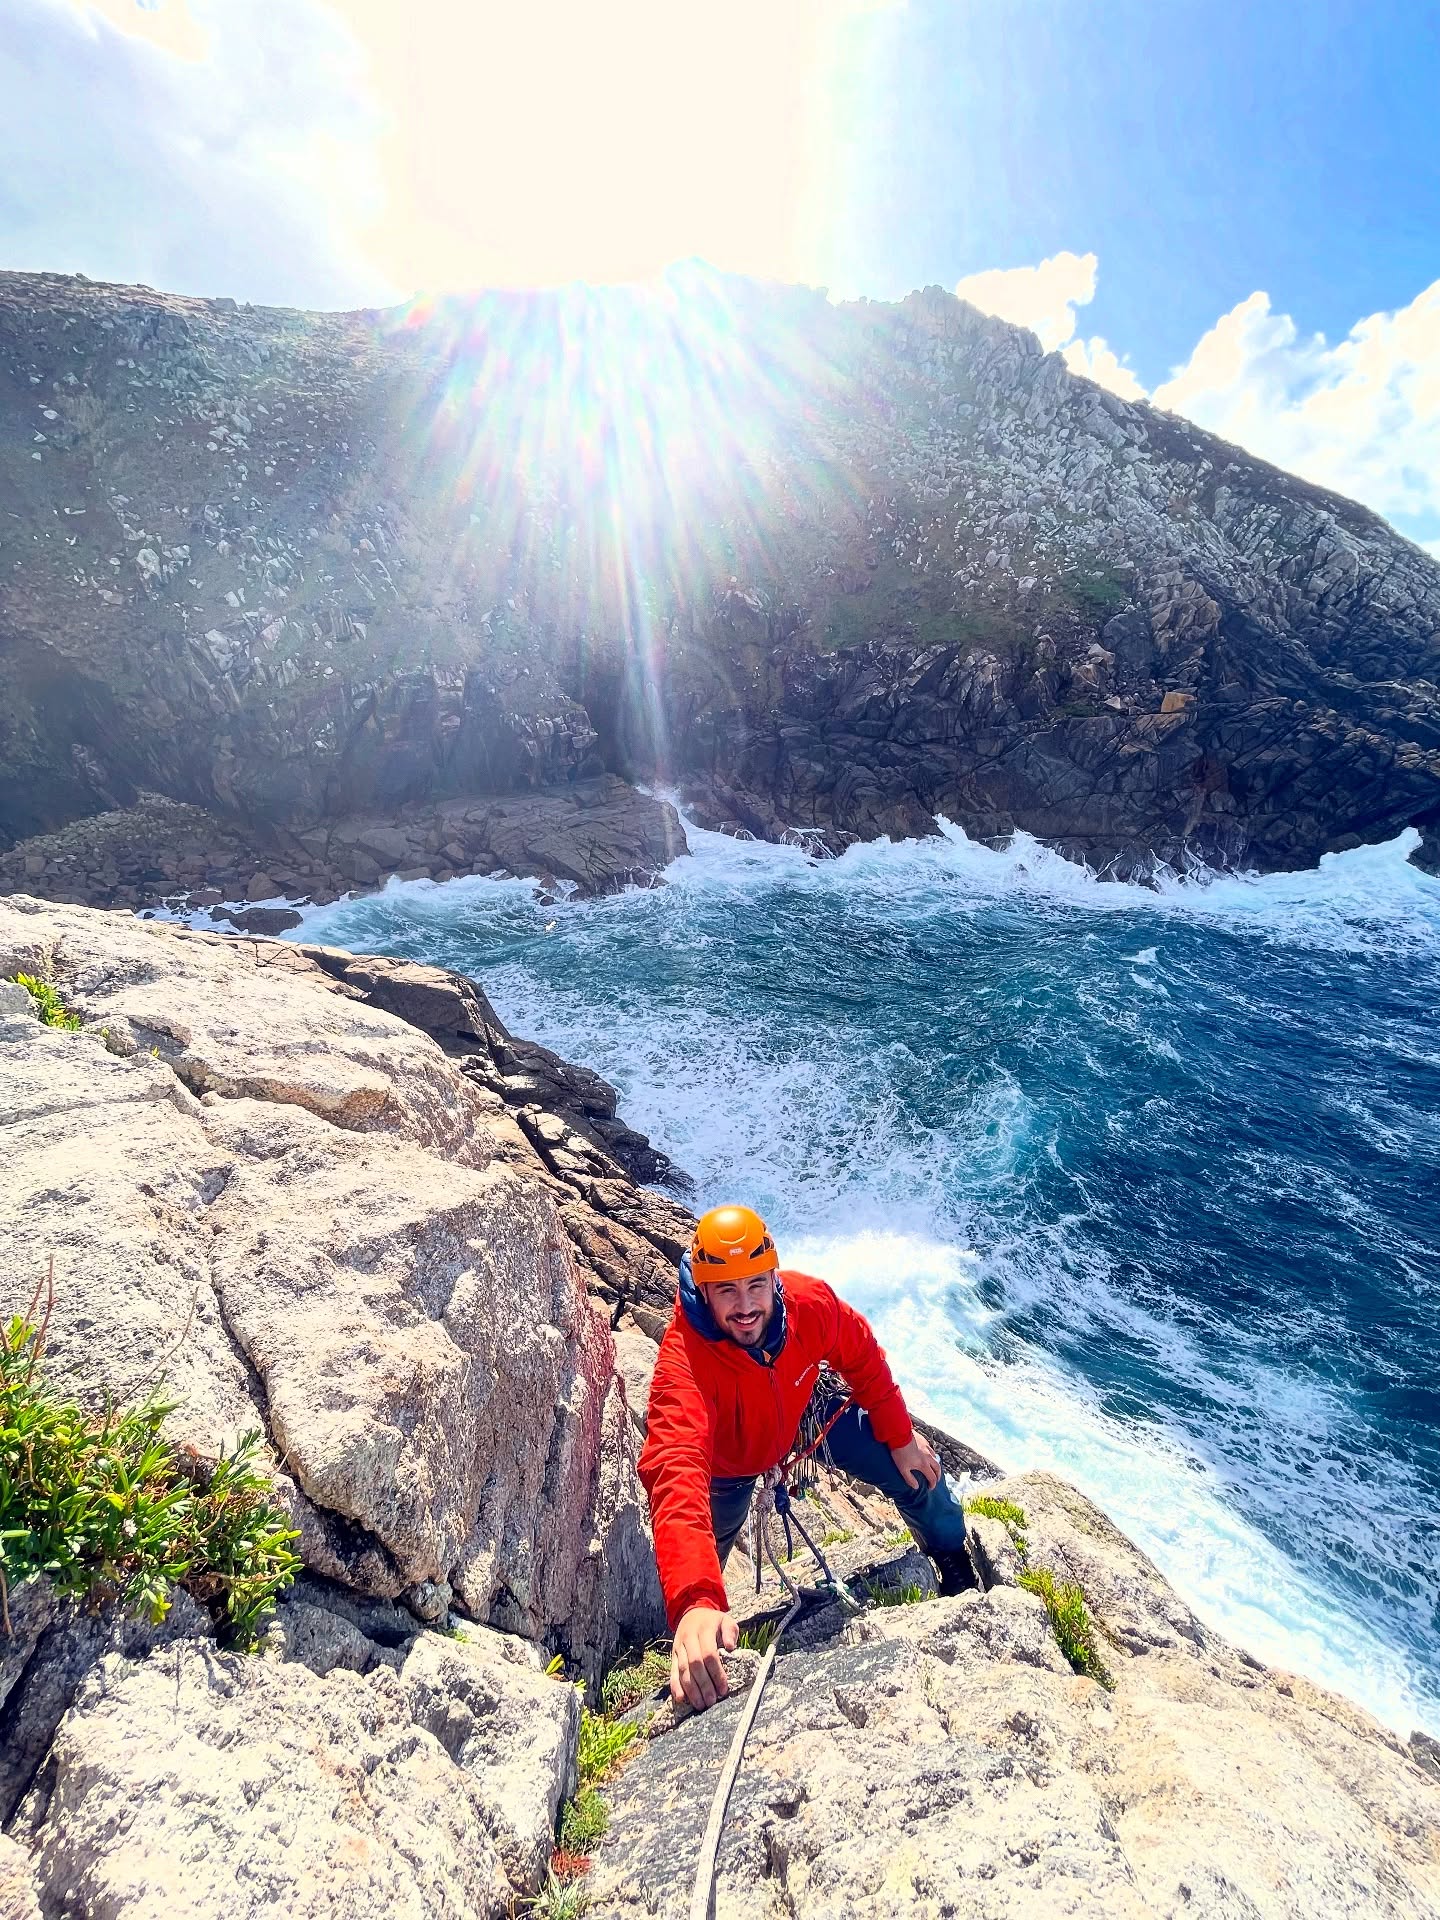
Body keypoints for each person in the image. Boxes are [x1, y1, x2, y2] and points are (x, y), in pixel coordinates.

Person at [638, 1203, 977, 1712]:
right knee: (704, 1571)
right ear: (703, 1292)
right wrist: (696, 1601)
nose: (746, 1306)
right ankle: (690, 1639)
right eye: (727, 1290)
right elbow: (677, 1469)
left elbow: (860, 1352)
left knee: (912, 1468)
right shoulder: (683, 1360)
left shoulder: (806, 1303)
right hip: (725, 1469)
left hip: (803, 1412)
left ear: (773, 1276)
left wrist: (900, 1435)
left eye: (755, 1285)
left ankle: (951, 1555)